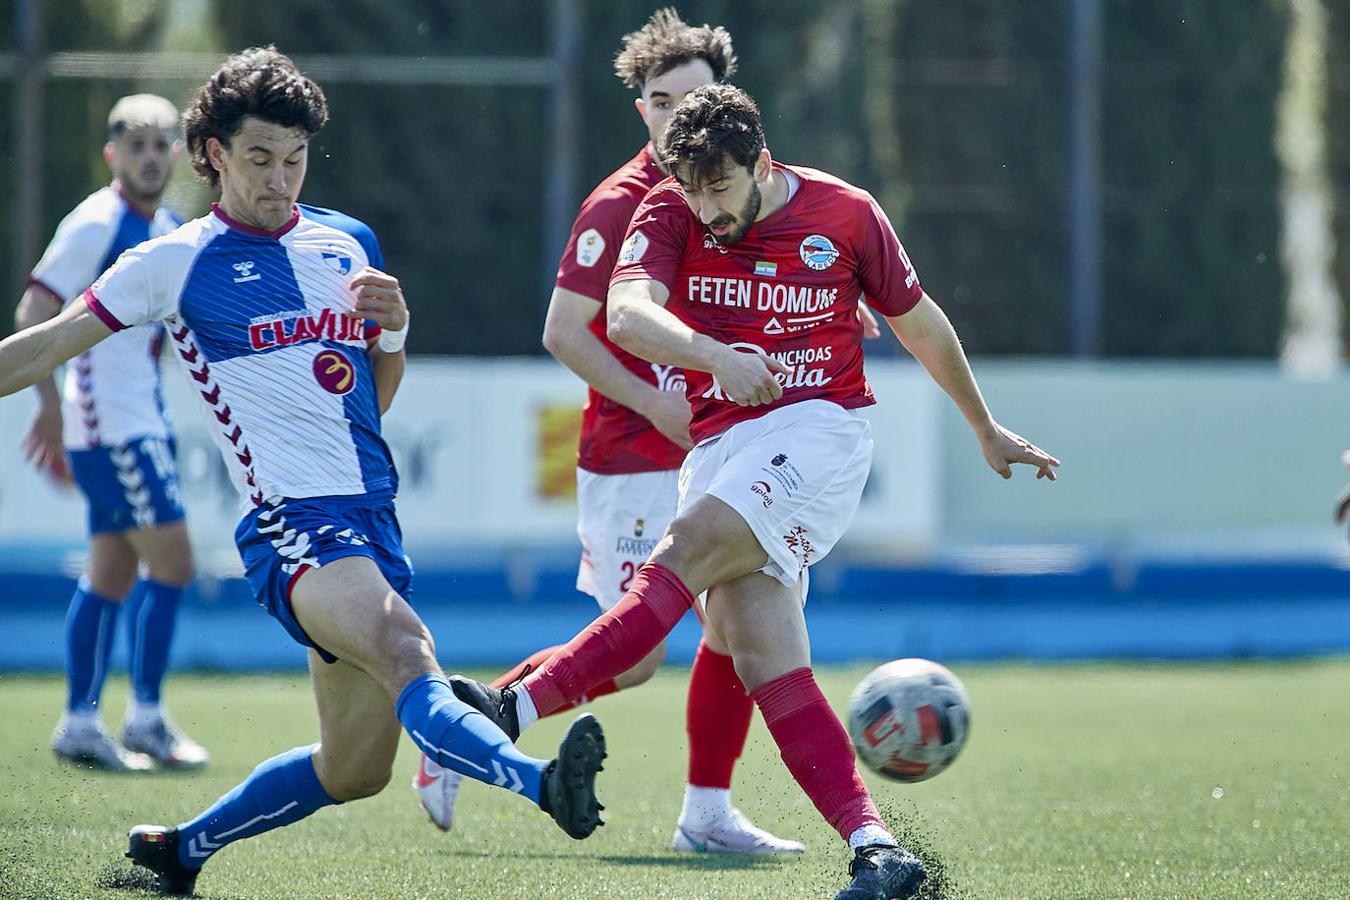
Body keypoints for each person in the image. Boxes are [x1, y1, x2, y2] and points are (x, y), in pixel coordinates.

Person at [0, 47, 606, 896]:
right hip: (291, 524)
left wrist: (394, 335)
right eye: (258, 159)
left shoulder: (347, 242)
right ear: (210, 152)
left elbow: (374, 399)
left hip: (373, 524)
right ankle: (544, 783)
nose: (279, 180)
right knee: (408, 650)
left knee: (355, 770)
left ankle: (178, 853)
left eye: (294, 159)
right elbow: (50, 343)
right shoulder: (172, 261)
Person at [449, 83, 1060, 900]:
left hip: (820, 431)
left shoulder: (845, 213)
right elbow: (626, 317)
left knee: (682, 552)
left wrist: (984, 426)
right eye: (692, 187)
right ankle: (879, 850)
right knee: (756, 644)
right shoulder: (666, 211)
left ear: (761, 163)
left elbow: (920, 320)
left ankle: (509, 710)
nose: (705, 207)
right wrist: (717, 358)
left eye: (721, 187)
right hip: (722, 441)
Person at [413, 7, 803, 855]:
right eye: (661, 101)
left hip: (721, 448)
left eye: (692, 98)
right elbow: (563, 330)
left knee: (740, 626)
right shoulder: (622, 202)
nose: (675, 117)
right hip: (635, 459)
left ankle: (706, 814)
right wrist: (653, 399)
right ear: (642, 110)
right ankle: (460, 726)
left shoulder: (738, 195)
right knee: (634, 660)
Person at [15, 94, 207, 772]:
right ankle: (145, 718)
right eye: (136, 146)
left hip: (139, 419)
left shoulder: (171, 225)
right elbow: (35, 308)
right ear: (112, 155)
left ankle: (79, 723)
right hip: (112, 427)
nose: (150, 158)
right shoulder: (96, 222)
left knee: (113, 571)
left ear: (177, 155)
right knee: (175, 562)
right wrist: (50, 406)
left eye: (161, 146)